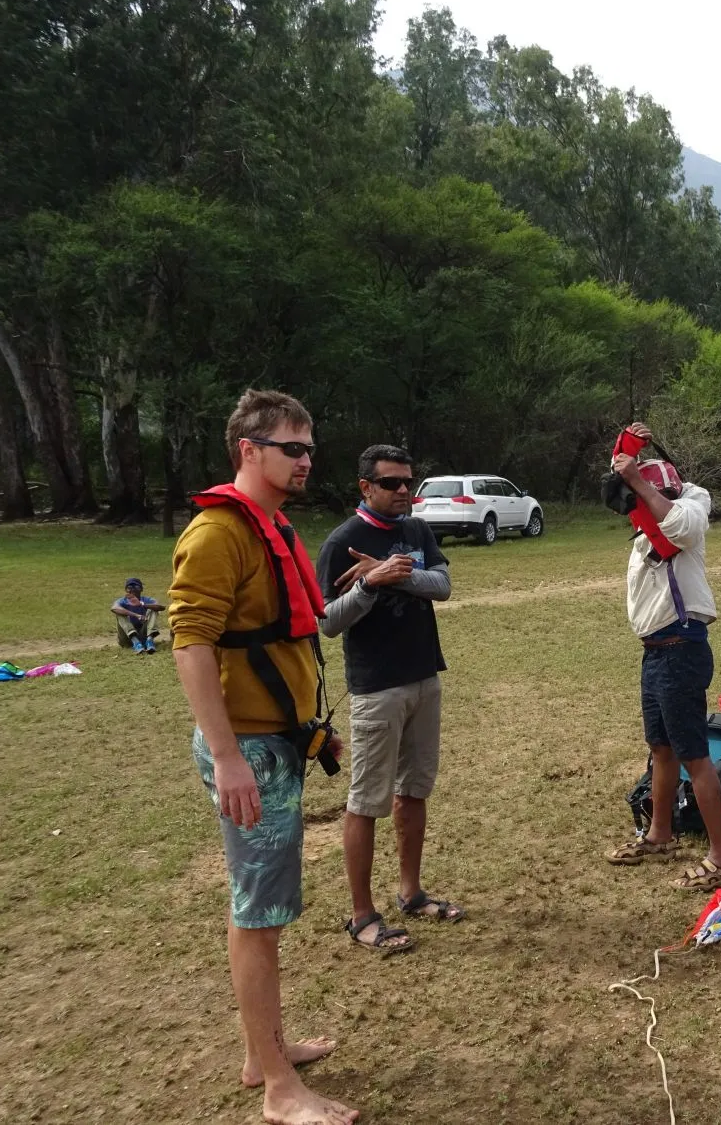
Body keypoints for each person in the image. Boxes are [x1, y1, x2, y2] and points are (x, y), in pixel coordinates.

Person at [170, 389, 358, 1125]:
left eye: (310, 449)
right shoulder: (218, 533)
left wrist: (310, 731)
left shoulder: (272, 524)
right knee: (258, 914)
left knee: (265, 909)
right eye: (292, 448)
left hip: (276, 742)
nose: (306, 460)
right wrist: (228, 757)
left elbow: (282, 642)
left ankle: (263, 1053)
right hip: (246, 750)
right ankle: (279, 1088)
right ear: (248, 449)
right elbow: (191, 644)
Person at [317, 444, 459, 955]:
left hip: (424, 676)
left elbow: (442, 585)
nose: (403, 491)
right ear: (365, 487)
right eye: (391, 483)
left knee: (414, 790)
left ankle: (411, 893)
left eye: (408, 482)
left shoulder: (417, 529)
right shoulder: (342, 541)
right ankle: (362, 916)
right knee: (366, 801)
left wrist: (394, 571)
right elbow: (327, 622)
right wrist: (370, 585)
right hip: (377, 687)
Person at [604, 422, 721, 889]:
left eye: (644, 495)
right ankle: (659, 834)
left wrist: (639, 482)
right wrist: (627, 446)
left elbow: (677, 523)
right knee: (661, 750)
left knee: (694, 756)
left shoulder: (689, 510)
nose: (637, 505)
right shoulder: (647, 526)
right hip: (656, 652)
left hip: (681, 648)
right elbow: (615, 478)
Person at [112, 577, 164, 653]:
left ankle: (149, 641)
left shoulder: (146, 600)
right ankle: (136, 642)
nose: (133, 589)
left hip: (143, 635)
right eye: (129, 587)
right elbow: (114, 608)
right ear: (126, 590)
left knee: (153, 610)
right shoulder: (122, 601)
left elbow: (161, 607)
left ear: (141, 589)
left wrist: (142, 605)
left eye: (136, 587)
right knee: (119, 613)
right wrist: (137, 615)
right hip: (127, 639)